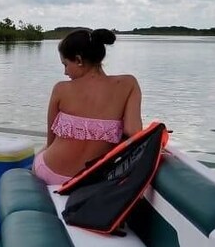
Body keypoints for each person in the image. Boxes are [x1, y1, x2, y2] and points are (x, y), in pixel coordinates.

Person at [33, 28, 143, 186]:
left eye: (65, 65)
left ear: (78, 60)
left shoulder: (61, 89)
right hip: (91, 180)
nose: (65, 72)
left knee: (41, 153)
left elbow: (51, 141)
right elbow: (134, 132)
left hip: (50, 172)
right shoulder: (128, 84)